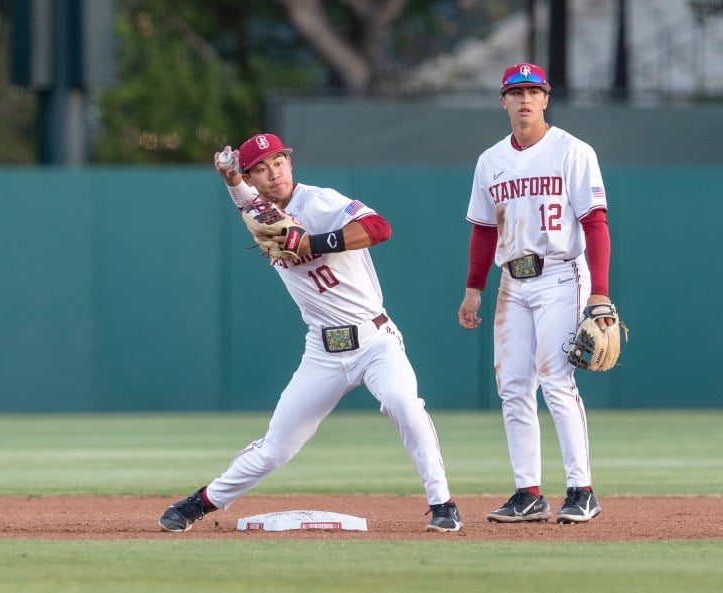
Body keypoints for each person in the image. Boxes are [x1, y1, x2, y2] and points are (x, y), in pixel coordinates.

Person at [159, 132, 462, 533]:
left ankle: (443, 504)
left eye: (279, 162)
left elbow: (380, 227)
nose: (274, 174)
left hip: (375, 341)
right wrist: (231, 178)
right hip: (322, 351)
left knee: (402, 403)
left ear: (290, 161)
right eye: (261, 170)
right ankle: (200, 503)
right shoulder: (259, 209)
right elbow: (246, 200)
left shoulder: (319, 201)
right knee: (276, 448)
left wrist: (315, 240)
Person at [457, 63, 614, 524]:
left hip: (562, 274)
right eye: (515, 92)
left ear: (546, 98)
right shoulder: (490, 161)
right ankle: (528, 493)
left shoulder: (572, 151)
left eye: (533, 91)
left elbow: (595, 223)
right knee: (513, 388)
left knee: (557, 382)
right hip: (512, 281)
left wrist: (599, 293)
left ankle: (581, 490)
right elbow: (484, 231)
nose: (525, 99)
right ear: (503, 101)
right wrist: (473, 289)